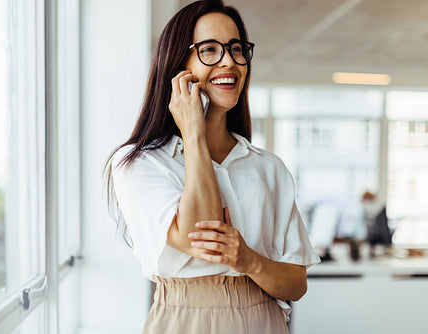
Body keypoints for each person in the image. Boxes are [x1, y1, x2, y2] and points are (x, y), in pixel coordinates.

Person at [104, 1, 320, 332]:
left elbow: (296, 284)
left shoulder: (269, 168)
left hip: (263, 321)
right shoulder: (140, 162)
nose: (229, 62)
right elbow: (200, 232)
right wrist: (193, 133)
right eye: (209, 50)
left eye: (236, 49)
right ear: (178, 66)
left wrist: (248, 260)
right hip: (185, 320)